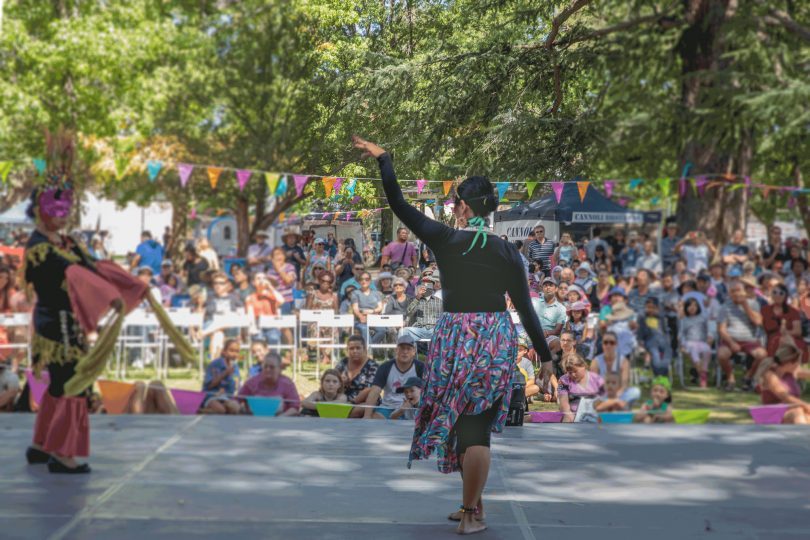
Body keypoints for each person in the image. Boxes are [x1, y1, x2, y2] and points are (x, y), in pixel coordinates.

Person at [354, 136, 550, 536]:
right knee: (474, 425)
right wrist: (546, 358)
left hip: (456, 337)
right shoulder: (507, 251)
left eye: (454, 202)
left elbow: (398, 204)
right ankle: (473, 507)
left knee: (467, 425)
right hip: (495, 336)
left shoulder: (445, 239)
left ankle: (468, 513)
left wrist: (385, 159)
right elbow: (526, 309)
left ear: (462, 207)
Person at [22, 141, 193, 473]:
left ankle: (41, 444)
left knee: (60, 385)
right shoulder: (40, 248)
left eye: (66, 208)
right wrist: (108, 291)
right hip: (57, 328)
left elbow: (97, 265)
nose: (62, 216)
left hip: (64, 324)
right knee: (75, 384)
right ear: (40, 208)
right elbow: (78, 273)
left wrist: (131, 284)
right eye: (56, 208)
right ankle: (62, 454)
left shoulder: (66, 242)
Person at [717, 281, 767, 391]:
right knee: (722, 355)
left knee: (762, 355)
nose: (736, 293)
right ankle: (730, 378)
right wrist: (731, 342)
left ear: (744, 292)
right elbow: (721, 329)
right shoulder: (724, 307)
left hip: (750, 340)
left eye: (738, 290)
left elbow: (758, 322)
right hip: (731, 339)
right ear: (729, 294)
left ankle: (748, 377)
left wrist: (745, 305)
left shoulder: (753, 304)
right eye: (733, 291)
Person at [362, 334, 424, 419]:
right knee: (375, 418)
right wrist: (367, 416)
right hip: (387, 407)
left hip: (410, 408)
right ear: (396, 350)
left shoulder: (421, 367)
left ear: (414, 352)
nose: (405, 352)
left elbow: (427, 390)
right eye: (402, 348)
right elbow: (374, 392)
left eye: (409, 349)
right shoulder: (385, 367)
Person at [754, 344, 810, 424]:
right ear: (789, 363)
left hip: (792, 409)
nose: (799, 365)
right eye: (798, 362)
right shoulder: (769, 375)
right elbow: (784, 397)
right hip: (771, 414)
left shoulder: (792, 372)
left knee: (806, 416)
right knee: (797, 412)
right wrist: (806, 405)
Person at [239, 352, 300, 416]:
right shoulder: (251, 383)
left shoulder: (287, 384)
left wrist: (282, 417)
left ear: (280, 369)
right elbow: (237, 400)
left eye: (272, 367)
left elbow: (295, 407)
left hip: (280, 423)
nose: (268, 369)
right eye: (265, 366)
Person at [336, 335, 378, 418]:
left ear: (364, 349)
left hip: (365, 401)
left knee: (358, 410)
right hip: (343, 400)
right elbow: (332, 379)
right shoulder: (343, 363)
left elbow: (370, 389)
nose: (355, 351)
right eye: (351, 348)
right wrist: (341, 382)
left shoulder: (372, 366)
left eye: (358, 348)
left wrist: (352, 403)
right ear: (347, 350)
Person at [558, 354, 605, 423]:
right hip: (573, 414)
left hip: (594, 413)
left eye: (575, 371)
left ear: (583, 366)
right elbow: (563, 403)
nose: (573, 375)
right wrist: (568, 413)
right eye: (570, 372)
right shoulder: (563, 380)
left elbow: (606, 398)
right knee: (567, 418)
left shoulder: (596, 379)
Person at [201, 338, 241, 414]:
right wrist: (225, 373)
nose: (234, 354)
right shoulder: (214, 364)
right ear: (224, 351)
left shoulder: (235, 367)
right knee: (221, 410)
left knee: (235, 408)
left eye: (237, 352)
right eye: (231, 351)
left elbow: (235, 387)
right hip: (211, 396)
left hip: (226, 397)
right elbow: (209, 385)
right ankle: (202, 410)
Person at [679, 297, 712, 388]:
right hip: (689, 342)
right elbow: (681, 334)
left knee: (707, 349)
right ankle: (703, 375)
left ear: (698, 307)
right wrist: (682, 344)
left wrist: (710, 337)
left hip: (701, 342)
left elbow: (709, 329)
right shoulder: (684, 320)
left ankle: (703, 370)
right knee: (693, 349)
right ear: (686, 307)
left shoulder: (703, 318)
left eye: (695, 305)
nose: (692, 307)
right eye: (690, 305)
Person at [532, 277, 567, 357]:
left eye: (551, 285)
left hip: (548, 336)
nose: (548, 287)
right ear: (542, 289)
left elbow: (557, 330)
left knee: (558, 343)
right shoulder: (534, 302)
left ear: (556, 289)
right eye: (545, 285)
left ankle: (547, 361)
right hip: (531, 334)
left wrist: (546, 333)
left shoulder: (561, 308)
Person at [351, 271, 386, 343]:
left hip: (373, 318)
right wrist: (361, 317)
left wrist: (371, 311)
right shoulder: (355, 293)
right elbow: (355, 309)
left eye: (366, 279)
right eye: (362, 279)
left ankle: (368, 349)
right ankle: (369, 352)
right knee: (364, 329)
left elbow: (380, 307)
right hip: (360, 320)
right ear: (359, 281)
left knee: (382, 331)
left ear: (370, 281)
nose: (364, 281)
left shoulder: (376, 293)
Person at [266, 247, 297, 315]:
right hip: (274, 301)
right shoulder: (270, 271)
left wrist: (279, 269)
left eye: (281, 254)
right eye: (276, 255)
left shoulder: (290, 267)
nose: (279, 256)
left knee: (285, 323)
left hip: (287, 301)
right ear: (272, 258)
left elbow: (288, 280)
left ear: (284, 256)